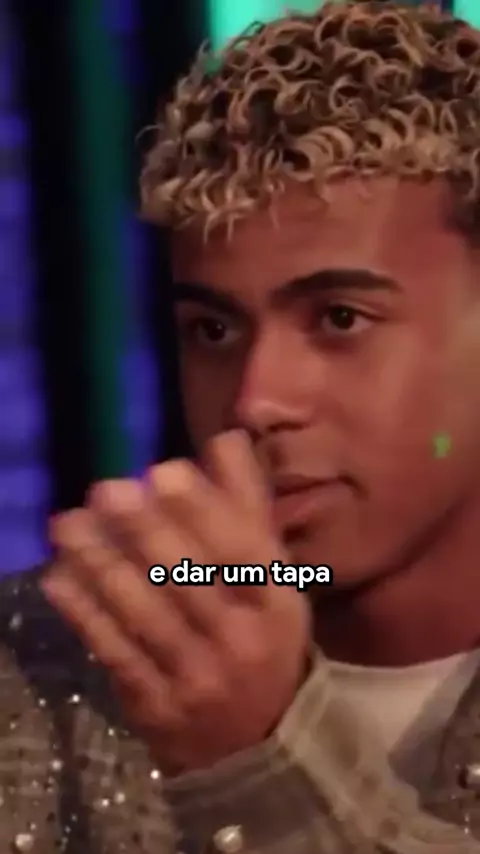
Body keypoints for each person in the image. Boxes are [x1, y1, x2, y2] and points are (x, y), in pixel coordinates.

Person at [2, 1, 480, 851]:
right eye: (214, 330)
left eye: (339, 318)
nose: (257, 400)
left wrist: (258, 764)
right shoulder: (40, 662)